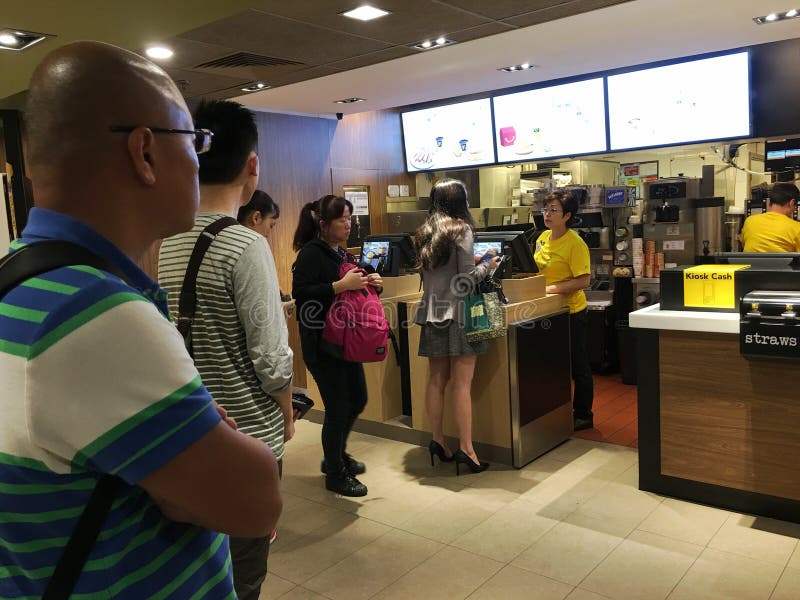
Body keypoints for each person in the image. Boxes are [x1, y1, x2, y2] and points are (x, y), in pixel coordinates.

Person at [0, 41, 281, 599]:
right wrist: (212, 432)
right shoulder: (93, 315)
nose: (201, 160)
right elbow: (255, 501)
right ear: (145, 153)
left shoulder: (18, 278)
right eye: (194, 141)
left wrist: (188, 459)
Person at [158, 100, 294, 600]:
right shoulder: (246, 244)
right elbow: (270, 354)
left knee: (202, 567)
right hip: (247, 436)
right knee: (245, 573)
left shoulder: (166, 238)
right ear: (252, 165)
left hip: (187, 430)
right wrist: (287, 406)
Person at [292, 195, 382, 496]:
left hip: (346, 341)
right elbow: (302, 294)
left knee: (357, 398)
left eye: (349, 217)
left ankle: (336, 455)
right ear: (323, 224)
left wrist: (370, 283)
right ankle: (335, 472)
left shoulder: (340, 253)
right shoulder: (310, 254)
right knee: (338, 406)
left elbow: (353, 293)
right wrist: (338, 287)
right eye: (342, 218)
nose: (349, 223)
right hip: (321, 344)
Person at [413, 179, 500, 475]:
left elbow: (439, 272)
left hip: (432, 312)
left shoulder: (426, 232)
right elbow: (465, 281)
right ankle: (467, 448)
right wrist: (488, 265)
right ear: (460, 201)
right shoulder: (461, 229)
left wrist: (472, 259)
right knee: (462, 384)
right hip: (460, 315)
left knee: (436, 381)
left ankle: (438, 441)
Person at [534, 190, 594, 431]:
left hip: (571, 313)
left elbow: (583, 281)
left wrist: (551, 289)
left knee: (578, 365)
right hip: (548, 311)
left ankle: (583, 414)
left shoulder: (575, 243)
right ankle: (556, 409)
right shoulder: (542, 238)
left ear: (567, 215)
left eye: (553, 210)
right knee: (554, 365)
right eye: (545, 209)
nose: (547, 214)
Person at [238, 189, 295, 317]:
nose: (269, 234)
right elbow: (260, 315)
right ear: (256, 217)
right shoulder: (254, 247)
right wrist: (277, 310)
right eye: (271, 225)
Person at [740, 182, 800, 252]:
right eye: (795, 206)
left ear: (769, 202)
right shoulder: (796, 228)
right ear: (791, 203)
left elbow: (743, 245)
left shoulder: (749, 221)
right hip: (781, 263)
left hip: (751, 263)